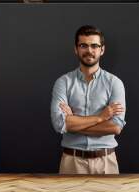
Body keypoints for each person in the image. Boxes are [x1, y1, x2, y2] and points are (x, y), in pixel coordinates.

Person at [50, 25, 126, 174]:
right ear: (76, 49)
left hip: (106, 162)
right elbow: (59, 124)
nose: (89, 51)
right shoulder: (63, 82)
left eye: (94, 46)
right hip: (71, 162)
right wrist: (100, 117)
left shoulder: (114, 83)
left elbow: (115, 127)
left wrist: (73, 121)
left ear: (102, 50)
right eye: (83, 45)